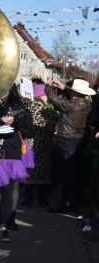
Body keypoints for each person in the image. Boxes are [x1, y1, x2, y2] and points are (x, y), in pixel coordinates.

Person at [0, 86, 33, 241]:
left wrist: (15, 121)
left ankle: (4, 226)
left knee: (7, 193)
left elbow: (29, 131)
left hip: (11, 153)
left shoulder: (19, 105)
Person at [46, 78, 94, 213]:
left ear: (74, 93)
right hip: (78, 142)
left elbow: (54, 99)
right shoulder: (87, 105)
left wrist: (48, 86)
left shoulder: (71, 105)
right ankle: (74, 205)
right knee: (74, 176)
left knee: (61, 175)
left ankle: (61, 205)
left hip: (64, 141)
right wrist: (64, 87)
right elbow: (67, 98)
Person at [23, 83, 57, 207]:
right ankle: (42, 198)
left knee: (30, 172)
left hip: (30, 145)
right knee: (42, 172)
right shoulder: (45, 109)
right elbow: (51, 128)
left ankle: (28, 198)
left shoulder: (29, 108)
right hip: (42, 144)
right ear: (43, 94)